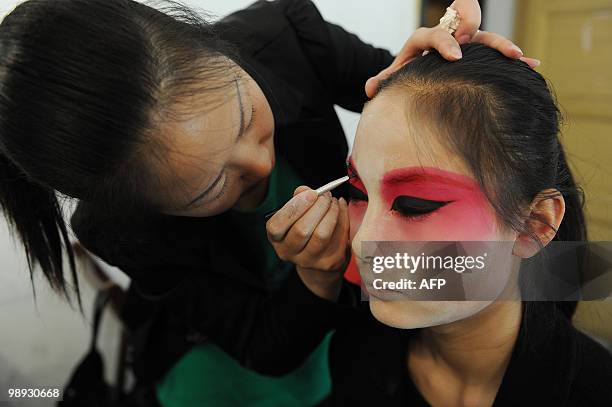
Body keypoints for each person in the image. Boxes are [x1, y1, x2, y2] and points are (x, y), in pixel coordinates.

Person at [0, 0, 533, 405]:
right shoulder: (119, 229)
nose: (259, 167)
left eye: (242, 113)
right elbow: (264, 347)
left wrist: (433, 70)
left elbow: (392, 87)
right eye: (210, 189)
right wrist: (317, 277)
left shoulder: (285, 33)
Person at [324, 43, 612, 406]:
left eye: (415, 205)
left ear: (534, 224)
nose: (364, 241)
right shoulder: (358, 352)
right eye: (359, 192)